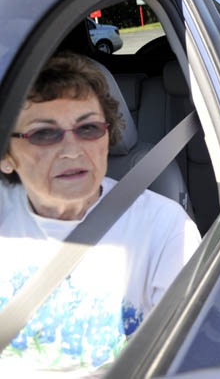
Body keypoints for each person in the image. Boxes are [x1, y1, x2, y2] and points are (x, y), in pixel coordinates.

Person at [0, 53, 201, 374]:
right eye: (44, 133)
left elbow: (183, 361)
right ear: (6, 156)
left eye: (89, 128)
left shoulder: (165, 228)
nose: (72, 150)